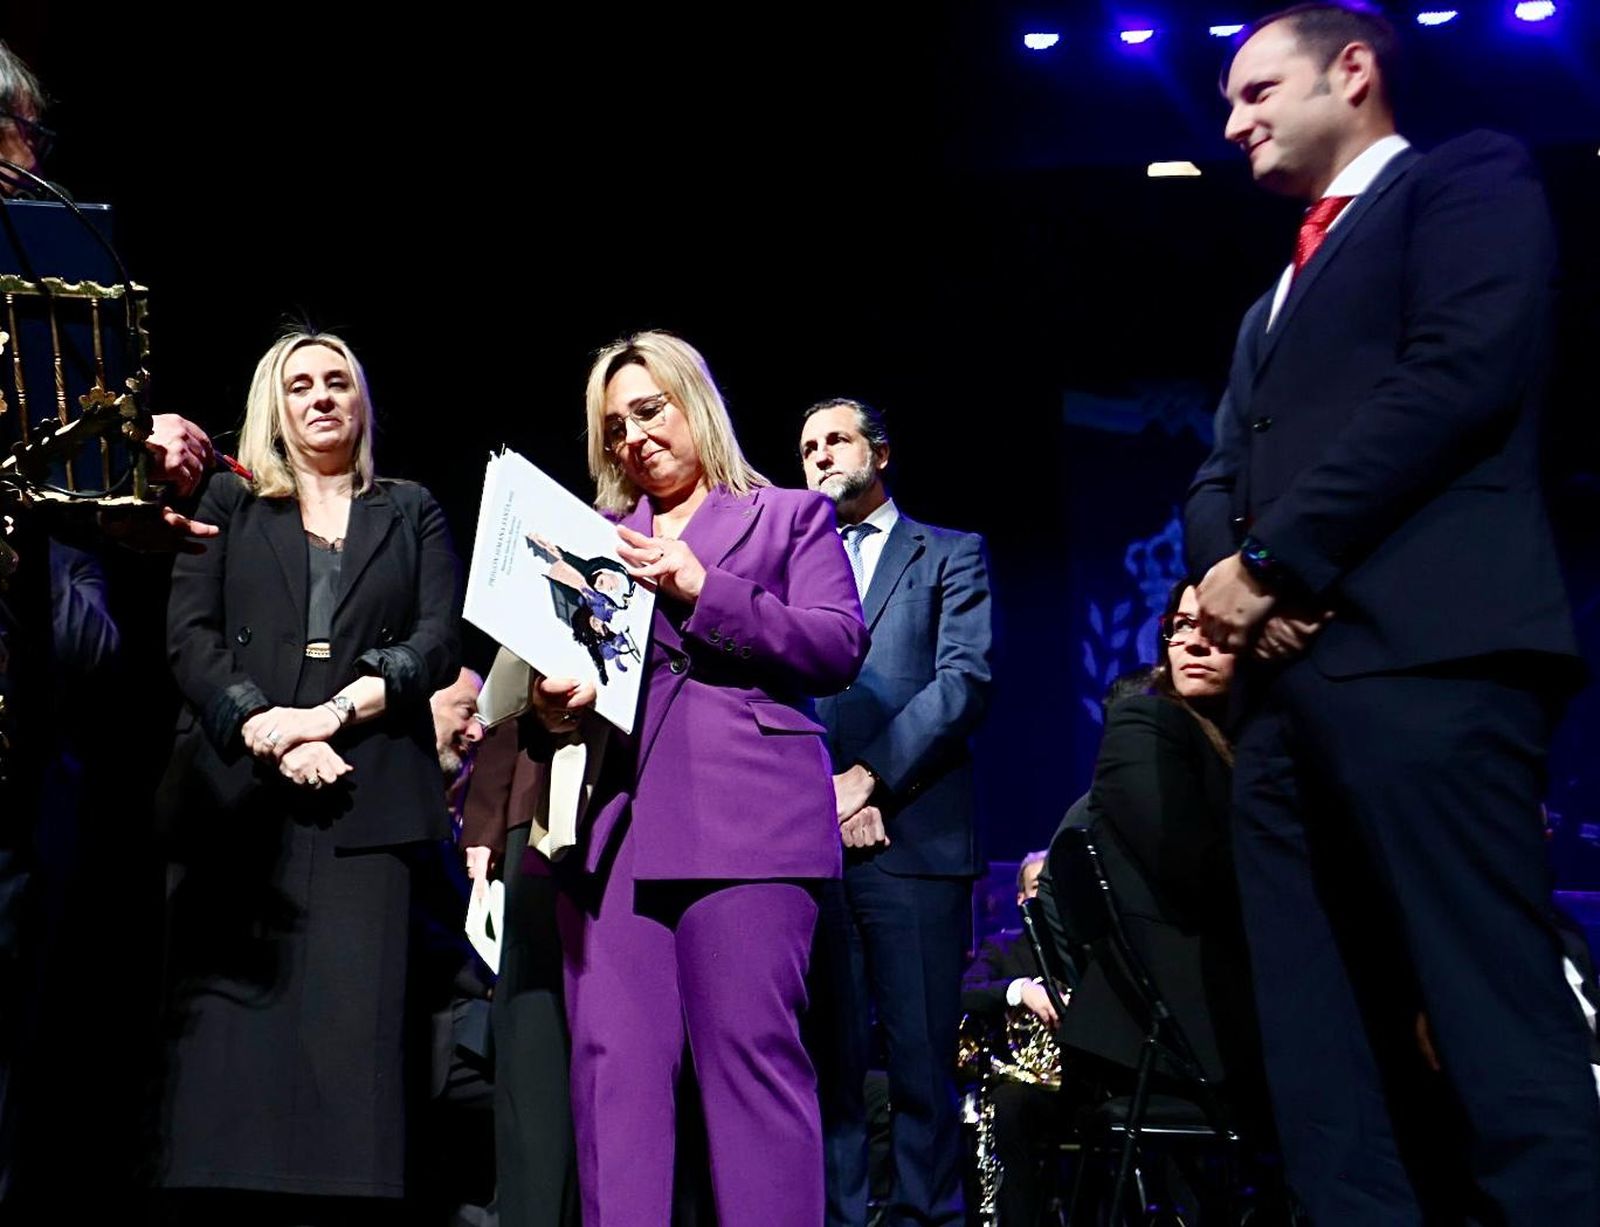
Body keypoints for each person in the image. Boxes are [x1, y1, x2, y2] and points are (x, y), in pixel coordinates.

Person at [1184, 4, 1600, 1220]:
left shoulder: (1466, 183)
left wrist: (1277, 564)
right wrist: (1243, 588)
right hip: (1282, 702)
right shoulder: (1272, 298)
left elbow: (1457, 378)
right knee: (1316, 1039)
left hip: (1428, 663)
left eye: (1256, 90)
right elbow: (1216, 474)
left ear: (1353, 71)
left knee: (1487, 1006)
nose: (1232, 122)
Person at [530, 330, 868, 1226]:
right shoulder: (595, 539)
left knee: (751, 1071)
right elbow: (562, 681)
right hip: (618, 832)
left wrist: (704, 587)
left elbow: (837, 644)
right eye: (615, 427)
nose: (634, 436)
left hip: (747, 821)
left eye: (649, 410)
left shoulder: (788, 516)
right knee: (614, 1079)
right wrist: (554, 706)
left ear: (695, 404)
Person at [159, 330, 462, 1224]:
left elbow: (438, 640)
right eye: (300, 385)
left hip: (370, 801)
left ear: (362, 403)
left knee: (351, 1080)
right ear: (275, 405)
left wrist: (327, 717)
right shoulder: (227, 499)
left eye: (338, 381)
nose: (322, 396)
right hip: (237, 808)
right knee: (225, 1084)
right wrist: (268, 729)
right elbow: (190, 638)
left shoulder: (411, 508)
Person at [797, 396, 993, 1227]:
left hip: (914, 845)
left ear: (880, 453)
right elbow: (782, 696)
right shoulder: (791, 569)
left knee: (920, 1066)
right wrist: (828, 793)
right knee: (831, 1070)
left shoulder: (949, 552)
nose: (820, 455)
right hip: (814, 843)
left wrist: (868, 778)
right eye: (808, 446)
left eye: (836, 439)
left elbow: (963, 681)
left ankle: (930, 1218)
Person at [960, 852, 1070, 1227]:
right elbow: (964, 991)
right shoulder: (1001, 948)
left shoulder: (1087, 950)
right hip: (1026, 1089)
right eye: (1038, 887)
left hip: (1081, 1087)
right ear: (1021, 899)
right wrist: (1019, 990)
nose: (1047, 894)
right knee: (1007, 1104)